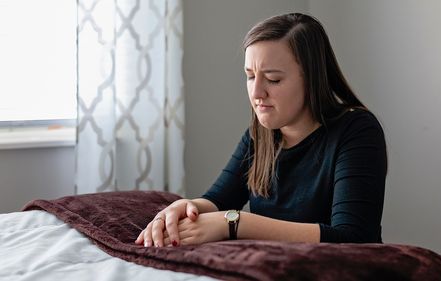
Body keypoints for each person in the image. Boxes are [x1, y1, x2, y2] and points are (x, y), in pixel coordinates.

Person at [135, 12, 387, 248]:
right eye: (250, 76)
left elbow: (354, 237)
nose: (256, 94)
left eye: (273, 79)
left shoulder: (357, 130)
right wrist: (185, 207)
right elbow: (218, 201)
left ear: (312, 78)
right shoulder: (260, 135)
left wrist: (234, 223)